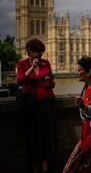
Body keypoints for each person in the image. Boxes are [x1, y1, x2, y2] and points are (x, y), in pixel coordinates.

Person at [17, 38, 56, 173]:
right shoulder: (22, 64)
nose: (39, 55)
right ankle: (35, 166)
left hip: (47, 101)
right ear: (29, 51)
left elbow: (51, 83)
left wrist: (51, 81)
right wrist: (33, 67)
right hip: (31, 103)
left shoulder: (46, 63)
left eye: (40, 52)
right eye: (36, 52)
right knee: (32, 134)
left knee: (46, 134)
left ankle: (45, 165)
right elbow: (21, 81)